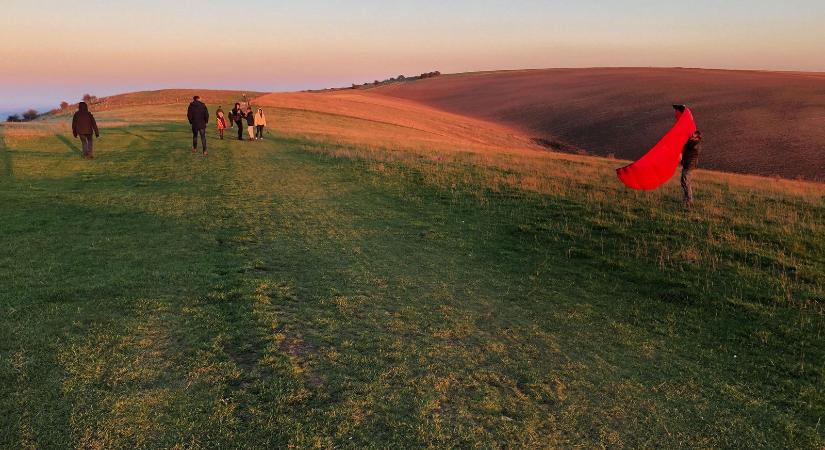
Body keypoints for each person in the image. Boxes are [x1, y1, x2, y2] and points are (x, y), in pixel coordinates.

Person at [681, 130, 702, 207]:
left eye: (694, 135)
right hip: (686, 165)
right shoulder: (693, 142)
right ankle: (686, 198)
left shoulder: (696, 144)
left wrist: (688, 139)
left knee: (686, 182)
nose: (692, 135)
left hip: (689, 166)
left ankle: (689, 200)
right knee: (683, 182)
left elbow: (689, 145)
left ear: (697, 137)